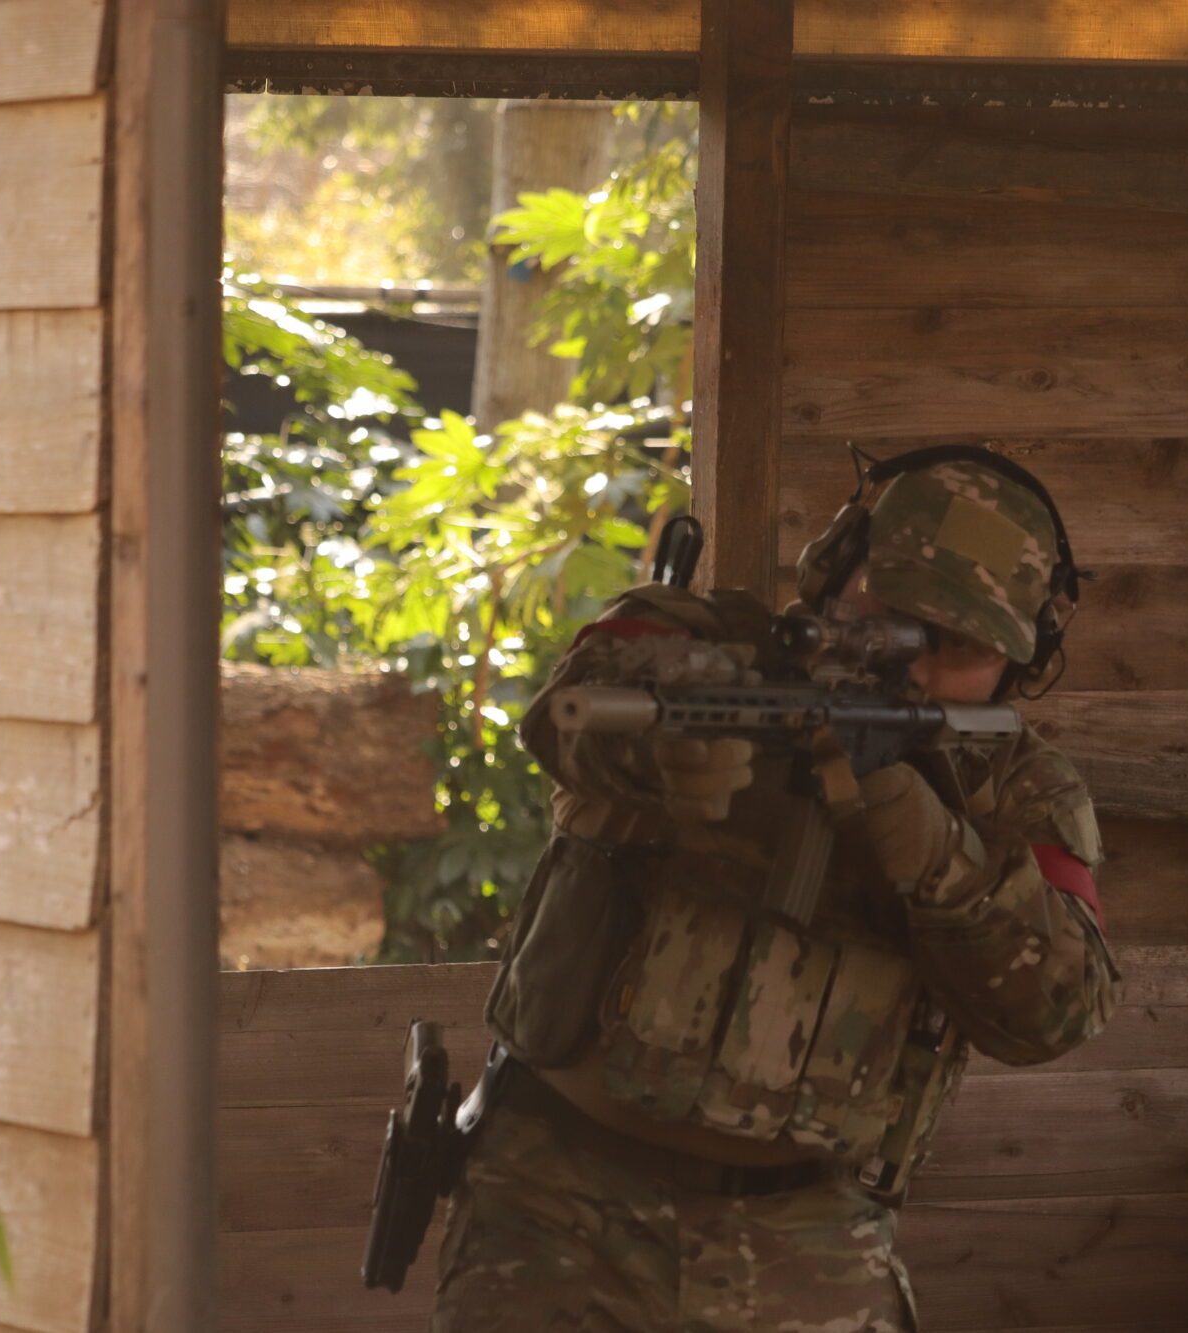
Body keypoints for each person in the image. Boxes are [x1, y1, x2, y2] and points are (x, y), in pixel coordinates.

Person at [432, 447, 1121, 1332]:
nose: (909, 666)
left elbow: (1058, 1009)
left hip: (809, 1237)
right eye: (888, 618)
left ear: (1021, 660)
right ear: (835, 570)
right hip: (559, 1197)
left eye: (957, 646)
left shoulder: (1018, 787)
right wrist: (660, 756)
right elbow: (578, 707)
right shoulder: (705, 644)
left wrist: (931, 849)